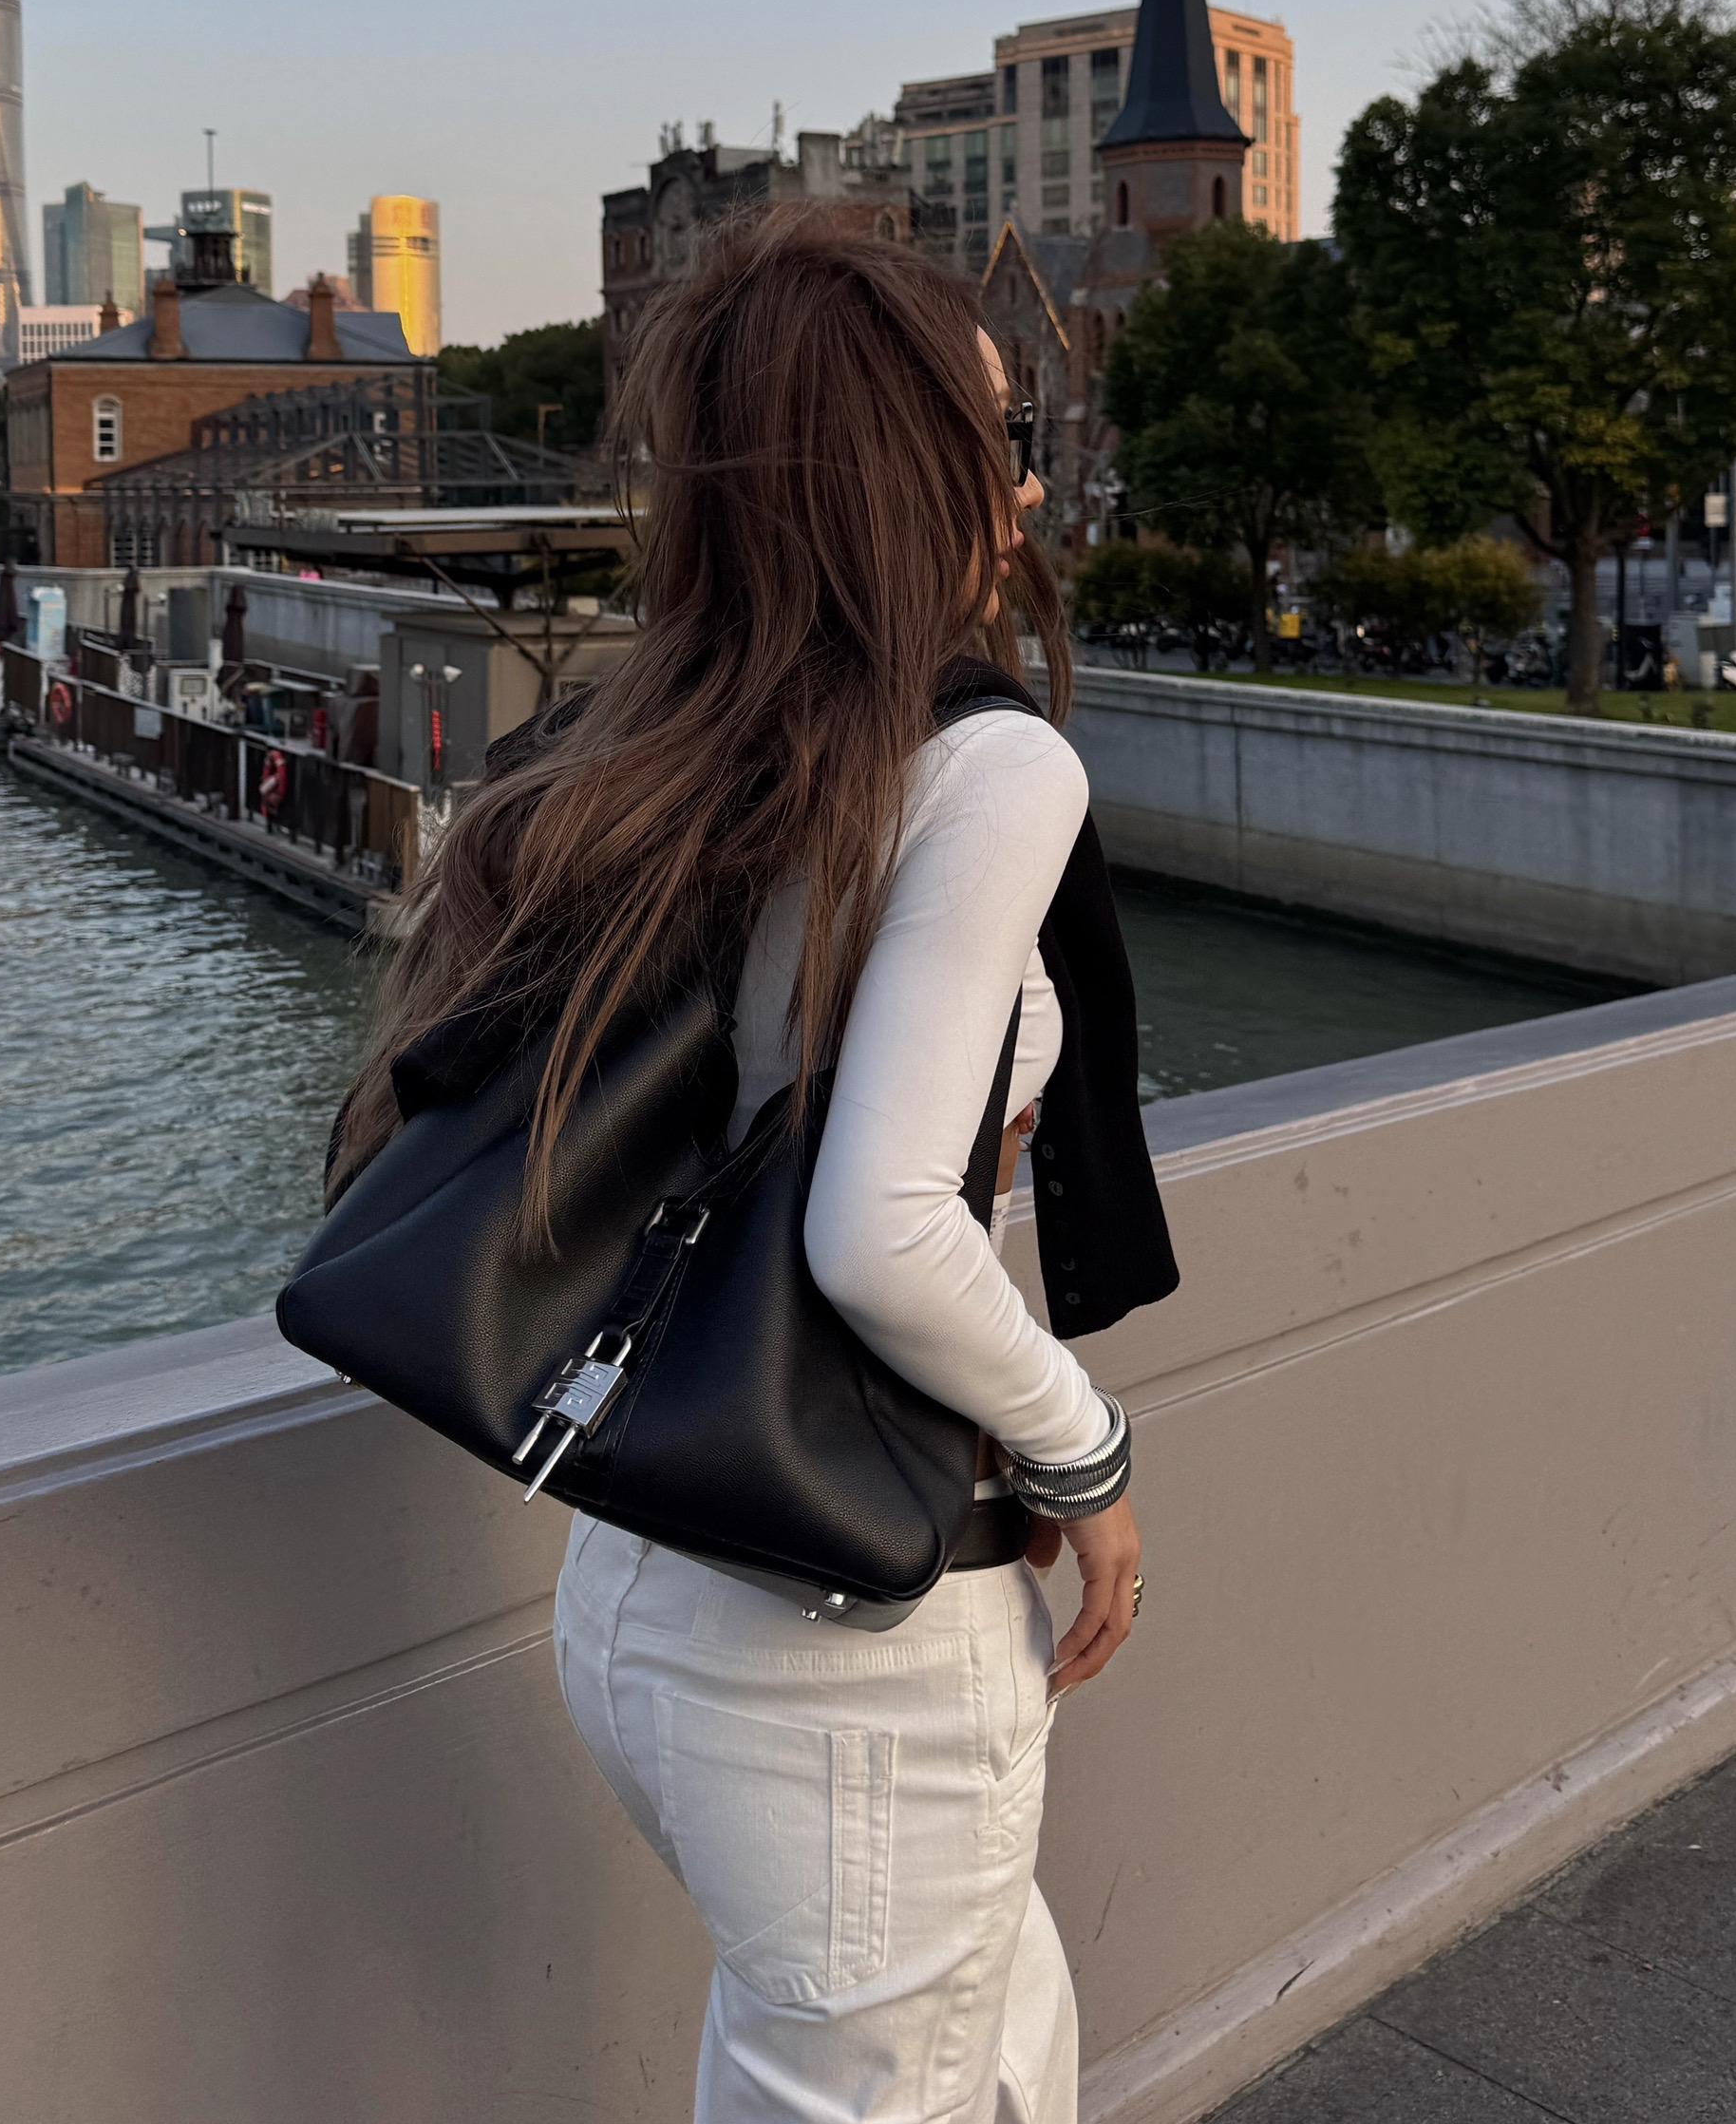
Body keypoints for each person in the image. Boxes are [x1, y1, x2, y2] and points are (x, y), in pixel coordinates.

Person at [330, 208, 1157, 2121]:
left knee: (999, 2048)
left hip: (642, 1592)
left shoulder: (659, 751)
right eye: (1000, 439)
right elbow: (881, 1230)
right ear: (906, 475)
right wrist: (1089, 1453)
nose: (1031, 483)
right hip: (849, 1634)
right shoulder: (986, 766)